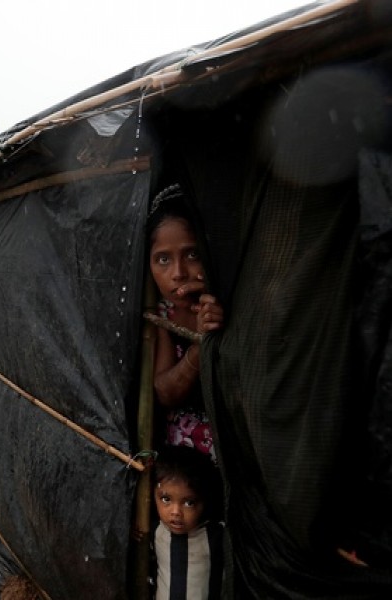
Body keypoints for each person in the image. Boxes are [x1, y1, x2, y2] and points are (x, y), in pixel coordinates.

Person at [147, 184, 223, 463]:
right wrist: (198, 346)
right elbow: (165, 392)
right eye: (163, 260)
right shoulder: (160, 316)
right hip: (186, 461)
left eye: (192, 255)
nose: (178, 273)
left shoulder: (227, 300)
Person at [153, 445, 223, 600]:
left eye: (189, 503)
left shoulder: (217, 535)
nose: (176, 512)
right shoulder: (155, 530)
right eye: (166, 499)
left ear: (204, 501)